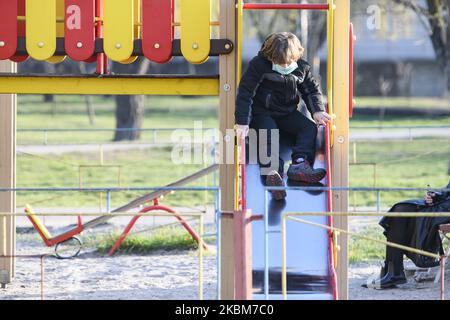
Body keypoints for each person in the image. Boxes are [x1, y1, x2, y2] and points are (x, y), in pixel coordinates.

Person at [235, 32, 331, 201]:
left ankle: (299, 165)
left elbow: (311, 90)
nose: (285, 66)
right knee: (268, 134)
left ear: (297, 55)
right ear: (269, 56)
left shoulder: (301, 67)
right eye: (280, 63)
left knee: (308, 128)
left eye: (289, 62)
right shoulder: (259, 65)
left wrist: (317, 110)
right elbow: (245, 93)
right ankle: (272, 176)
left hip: (287, 112)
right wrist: (242, 122)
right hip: (262, 112)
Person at [367, 181, 450, 289]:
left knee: (405, 212)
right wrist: (435, 196)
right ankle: (392, 271)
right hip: (444, 204)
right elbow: (447, 190)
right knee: (400, 208)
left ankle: (394, 273)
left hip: (446, 209)